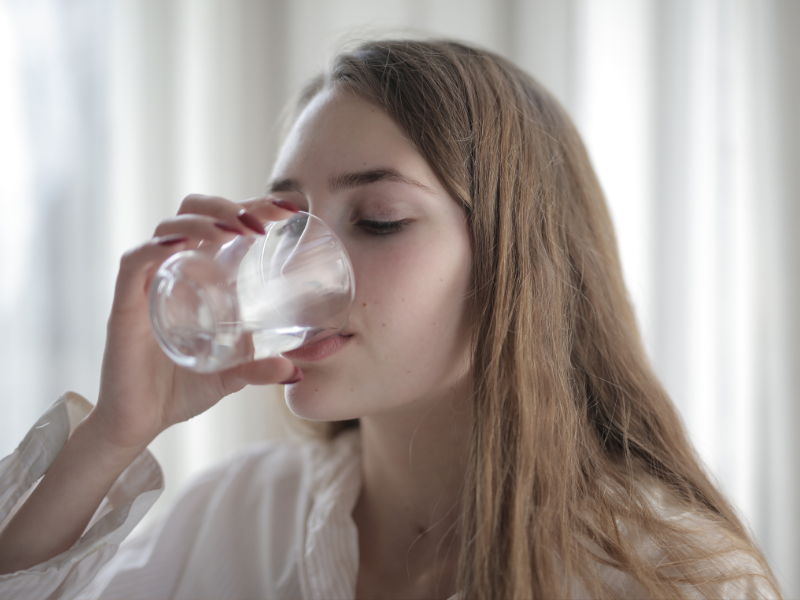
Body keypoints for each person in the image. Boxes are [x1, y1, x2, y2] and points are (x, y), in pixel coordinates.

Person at [0, 38, 781, 599]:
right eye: (289, 221)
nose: (294, 264)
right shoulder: (237, 519)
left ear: (516, 264)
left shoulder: (676, 580)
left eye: (376, 219)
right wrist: (112, 436)